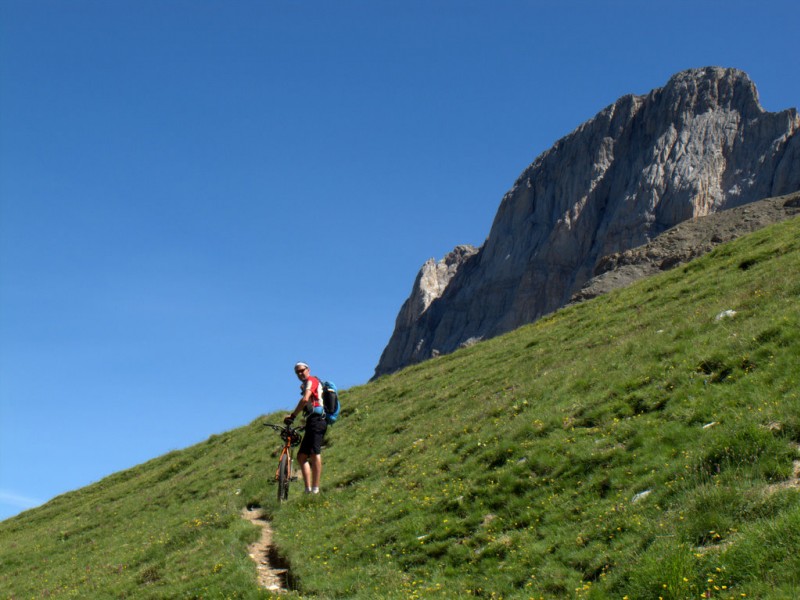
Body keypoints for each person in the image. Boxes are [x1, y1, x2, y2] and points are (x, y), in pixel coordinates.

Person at [284, 362, 327, 494]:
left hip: (318, 420)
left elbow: (305, 399)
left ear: (308, 369)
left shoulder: (311, 380)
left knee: (315, 452)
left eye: (302, 370)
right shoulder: (306, 383)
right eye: (297, 372)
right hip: (312, 420)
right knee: (302, 456)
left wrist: (293, 416)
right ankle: (308, 490)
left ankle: (315, 489)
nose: (300, 373)